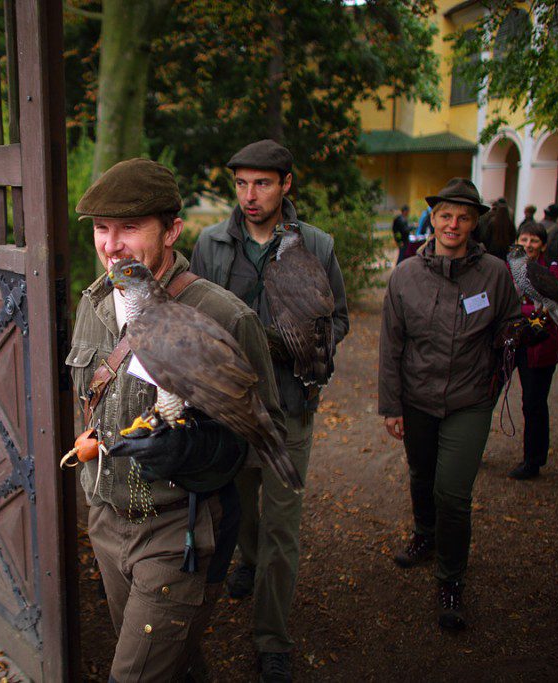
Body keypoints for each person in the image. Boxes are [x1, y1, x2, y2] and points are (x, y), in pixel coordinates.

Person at [67, 158, 286, 682]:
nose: (111, 245)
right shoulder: (92, 305)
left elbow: (263, 433)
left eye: (130, 227)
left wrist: (200, 449)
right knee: (174, 664)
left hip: (179, 531)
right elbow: (94, 397)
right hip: (106, 522)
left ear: (172, 231)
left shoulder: (224, 315)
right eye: (101, 228)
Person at [190, 139, 349, 683]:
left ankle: (272, 638)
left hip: (289, 406)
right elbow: (192, 313)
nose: (249, 195)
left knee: (283, 524)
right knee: (243, 508)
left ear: (286, 185)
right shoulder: (210, 245)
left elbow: (339, 318)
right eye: (240, 183)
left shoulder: (317, 247)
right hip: (232, 405)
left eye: (261, 183)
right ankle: (248, 559)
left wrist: (306, 344)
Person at [378, 177, 519, 631]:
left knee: (453, 493)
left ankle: (451, 579)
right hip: (417, 396)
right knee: (421, 475)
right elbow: (391, 344)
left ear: (475, 222)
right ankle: (424, 536)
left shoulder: (495, 274)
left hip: (469, 399)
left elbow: (512, 322)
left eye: (463, 216)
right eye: (445, 215)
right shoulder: (406, 275)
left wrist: (517, 336)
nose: (453, 224)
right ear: (433, 219)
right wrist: (392, 405)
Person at [508, 224, 558, 480]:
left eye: (534, 240)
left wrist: (517, 314)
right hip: (511, 344)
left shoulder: (549, 272)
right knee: (482, 395)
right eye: (524, 239)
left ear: (542, 245)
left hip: (539, 349)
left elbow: (551, 310)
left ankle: (533, 461)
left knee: (533, 403)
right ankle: (469, 451)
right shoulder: (509, 268)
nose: (528, 244)